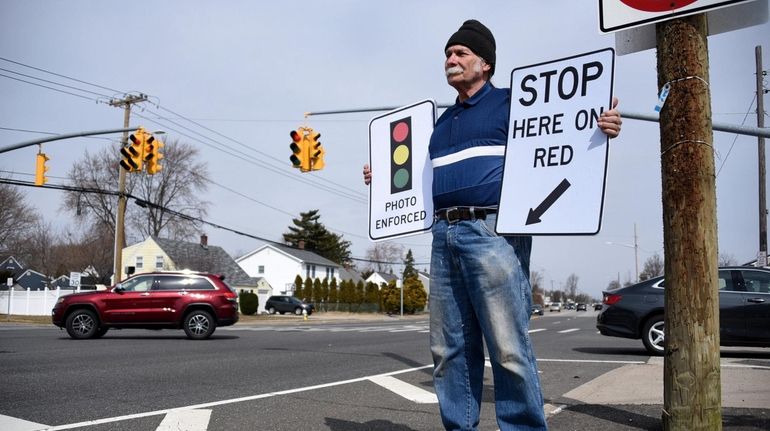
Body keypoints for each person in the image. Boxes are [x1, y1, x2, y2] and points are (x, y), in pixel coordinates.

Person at [363, 19, 621, 431]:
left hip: (493, 233)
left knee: (507, 347)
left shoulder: (512, 104)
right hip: (443, 237)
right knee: (448, 349)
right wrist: (383, 184)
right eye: (448, 54)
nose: (451, 59)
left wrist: (602, 127)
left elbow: (561, 135)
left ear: (485, 63)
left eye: (461, 53)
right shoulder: (441, 123)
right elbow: (419, 178)